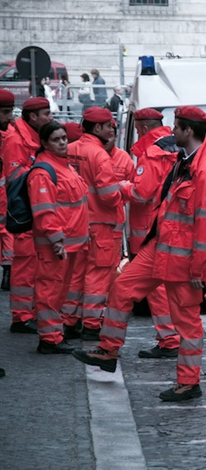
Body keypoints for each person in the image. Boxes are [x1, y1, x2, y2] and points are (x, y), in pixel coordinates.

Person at [72, 106, 206, 402]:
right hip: (161, 246)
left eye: (176, 127)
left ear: (187, 131)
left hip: (184, 259)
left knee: (187, 322)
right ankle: (107, 351)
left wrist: (199, 271)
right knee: (121, 288)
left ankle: (188, 381)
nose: (171, 132)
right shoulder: (188, 160)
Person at [123, 108, 181, 359]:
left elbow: (141, 194)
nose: (137, 135)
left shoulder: (151, 153)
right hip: (173, 227)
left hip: (148, 230)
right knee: (173, 286)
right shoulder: (179, 148)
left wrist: (122, 186)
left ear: (144, 128)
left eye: (137, 131)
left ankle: (169, 339)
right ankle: (177, 335)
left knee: (154, 289)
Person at [28, 121, 89, 354]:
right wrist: (56, 240)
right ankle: (49, 339)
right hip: (56, 246)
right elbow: (44, 211)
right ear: (44, 143)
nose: (63, 142)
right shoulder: (44, 172)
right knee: (49, 292)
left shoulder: (64, 166)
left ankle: (54, 335)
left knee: (58, 291)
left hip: (70, 243)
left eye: (64, 138)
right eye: (57, 139)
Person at [67, 107, 123, 341]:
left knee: (75, 273)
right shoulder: (100, 155)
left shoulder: (69, 149)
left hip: (77, 221)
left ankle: (69, 320)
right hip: (100, 223)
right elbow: (109, 195)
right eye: (109, 125)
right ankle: (91, 323)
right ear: (97, 128)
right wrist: (124, 192)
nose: (112, 129)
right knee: (98, 274)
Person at [2, 97, 53, 335]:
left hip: (30, 208)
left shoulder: (27, 137)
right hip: (21, 211)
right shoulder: (16, 139)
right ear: (33, 117)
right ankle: (21, 318)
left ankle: (26, 314)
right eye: (47, 114)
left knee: (31, 266)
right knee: (23, 266)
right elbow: (14, 177)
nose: (50, 118)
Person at [0, 89, 16, 293]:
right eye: (5, 112)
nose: (10, 117)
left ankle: (8, 272)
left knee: (7, 232)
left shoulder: (12, 134)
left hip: (7, 195)